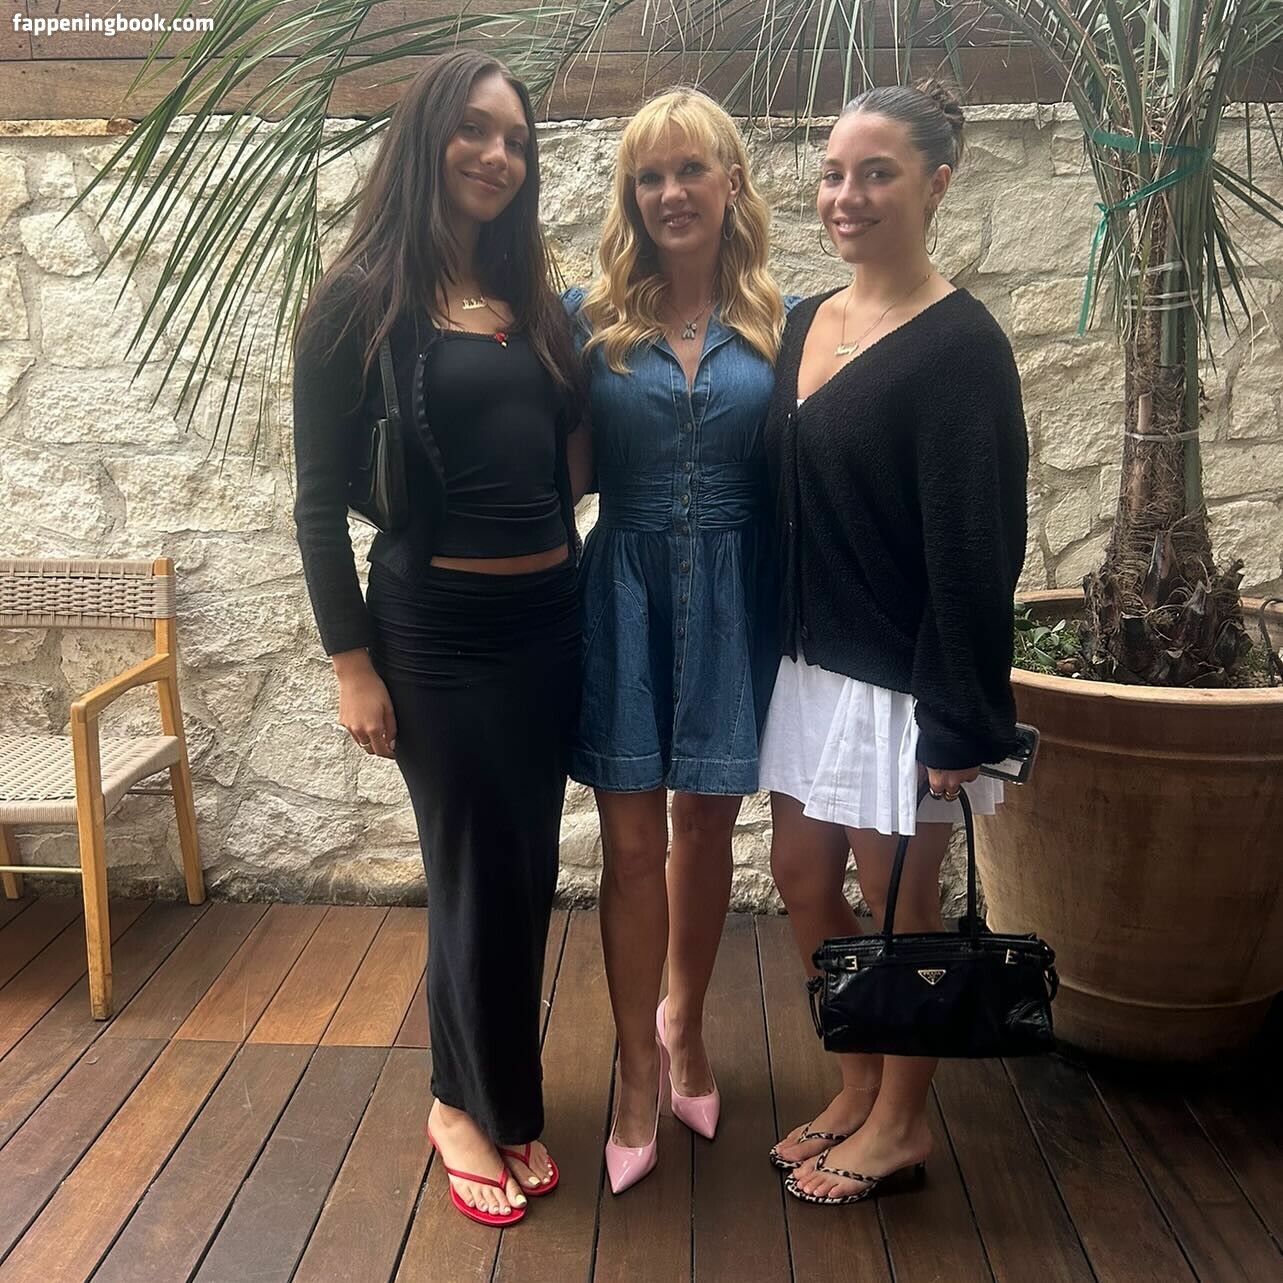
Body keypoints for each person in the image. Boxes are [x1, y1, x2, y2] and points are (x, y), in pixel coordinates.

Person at [291, 51, 590, 1228]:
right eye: (473, 129)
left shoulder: (534, 303)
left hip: (546, 627)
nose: (495, 155)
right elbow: (317, 504)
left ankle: (500, 1094)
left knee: (524, 871)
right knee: (471, 872)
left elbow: (563, 464)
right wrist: (350, 663)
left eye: (514, 139)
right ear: (426, 138)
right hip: (437, 638)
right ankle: (457, 1105)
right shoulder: (357, 304)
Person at [759, 81, 1028, 1205]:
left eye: (876, 172)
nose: (846, 194)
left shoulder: (960, 347)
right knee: (799, 876)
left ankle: (903, 1125)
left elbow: (976, 546)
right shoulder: (802, 320)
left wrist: (958, 717)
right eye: (833, 172)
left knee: (900, 905)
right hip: (806, 666)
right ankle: (859, 1080)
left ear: (935, 184)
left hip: (902, 684)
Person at [565, 87, 788, 1195]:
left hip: (737, 595)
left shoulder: (779, 323)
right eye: (648, 175)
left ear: (730, 181)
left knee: (706, 825)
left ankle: (685, 1025)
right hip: (623, 589)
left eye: (690, 168)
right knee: (630, 844)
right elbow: (551, 472)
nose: (669, 192)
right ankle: (632, 1069)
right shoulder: (587, 319)